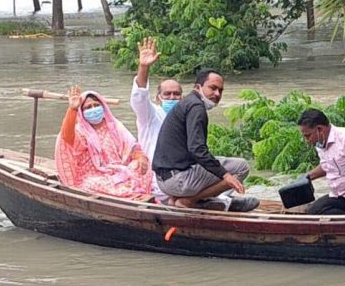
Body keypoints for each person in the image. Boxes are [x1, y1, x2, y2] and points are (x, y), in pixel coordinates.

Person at [151, 69, 259, 211]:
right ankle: (190, 201)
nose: (217, 94)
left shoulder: (187, 104)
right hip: (178, 181)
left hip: (164, 181)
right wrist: (225, 175)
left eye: (220, 90)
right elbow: (197, 149)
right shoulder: (196, 107)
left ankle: (180, 199)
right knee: (241, 167)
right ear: (198, 87)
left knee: (216, 163)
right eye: (212, 88)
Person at [55, 86, 152, 200]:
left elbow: (133, 147)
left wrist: (140, 158)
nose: (93, 109)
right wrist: (73, 109)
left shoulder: (115, 127)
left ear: (103, 107)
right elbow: (66, 137)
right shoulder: (80, 131)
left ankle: (130, 191)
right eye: (88, 107)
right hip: (94, 175)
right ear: (82, 112)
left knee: (143, 167)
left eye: (96, 105)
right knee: (91, 184)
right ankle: (128, 193)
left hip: (119, 169)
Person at [129, 37, 186, 205]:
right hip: (155, 180)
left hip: (182, 177)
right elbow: (139, 97)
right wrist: (144, 67)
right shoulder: (150, 115)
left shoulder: (186, 119)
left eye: (176, 94)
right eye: (167, 94)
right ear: (158, 98)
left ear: (182, 98)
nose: (172, 97)